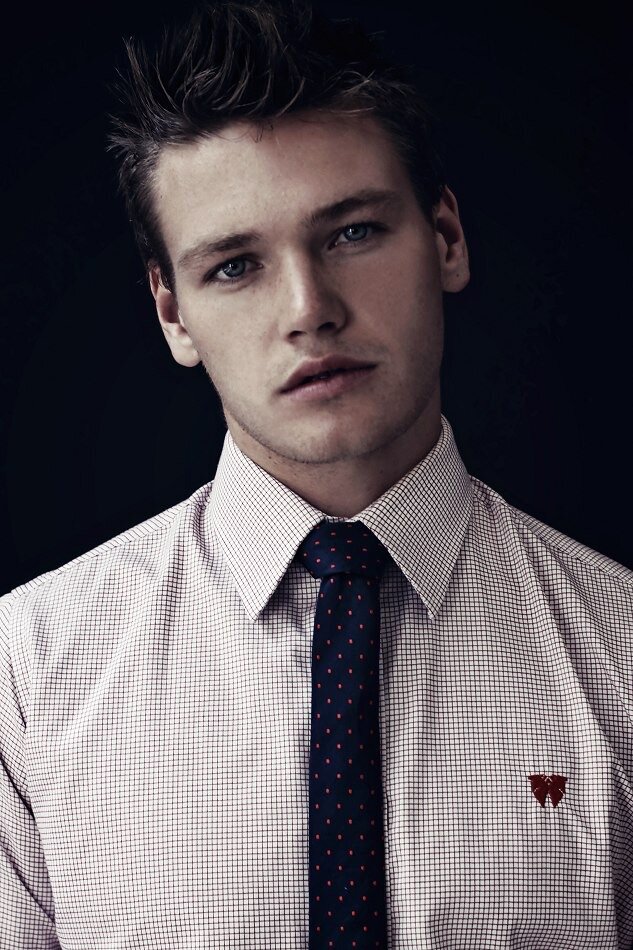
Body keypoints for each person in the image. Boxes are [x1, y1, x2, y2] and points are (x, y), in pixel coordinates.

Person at [1, 0, 631, 946]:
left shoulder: (621, 652)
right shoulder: (25, 673)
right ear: (172, 313)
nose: (308, 309)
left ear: (446, 238)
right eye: (234, 266)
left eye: (352, 233)